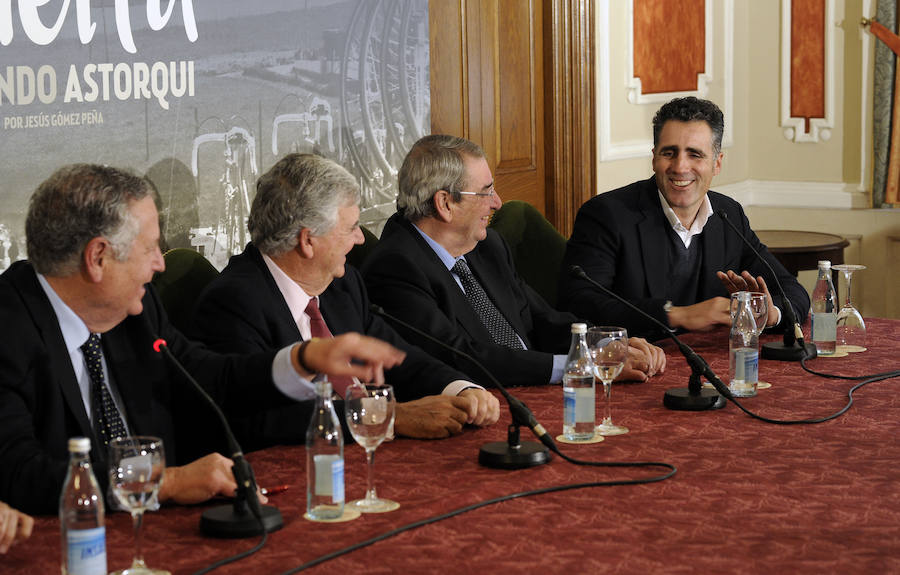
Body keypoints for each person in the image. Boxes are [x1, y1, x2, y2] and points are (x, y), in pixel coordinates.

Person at [0, 164, 404, 514]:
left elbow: (210, 377)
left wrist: (304, 358)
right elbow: (22, 475)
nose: (161, 264)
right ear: (98, 257)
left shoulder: (135, 312)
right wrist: (167, 482)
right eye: (150, 248)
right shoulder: (9, 330)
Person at [188, 153, 499, 445]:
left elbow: (398, 357)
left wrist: (461, 388)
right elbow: (260, 419)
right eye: (351, 228)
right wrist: (389, 417)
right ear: (308, 240)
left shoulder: (343, 285)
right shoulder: (233, 304)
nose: (360, 239)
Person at [362, 135, 665, 388]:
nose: (497, 202)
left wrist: (603, 344)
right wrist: (580, 366)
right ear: (445, 203)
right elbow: (461, 356)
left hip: (536, 393)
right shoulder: (396, 267)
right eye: (486, 191)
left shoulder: (487, 245)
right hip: (487, 405)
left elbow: (541, 319)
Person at [558, 96, 811, 339]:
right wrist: (676, 316)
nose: (680, 167)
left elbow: (793, 291)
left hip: (712, 366)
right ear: (654, 158)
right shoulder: (607, 215)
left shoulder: (729, 216)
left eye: (695, 154)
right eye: (669, 153)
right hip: (637, 365)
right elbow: (579, 303)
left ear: (717, 163)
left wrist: (768, 314)